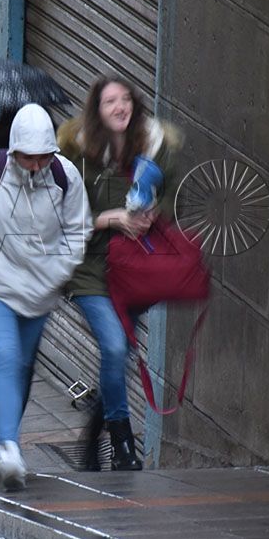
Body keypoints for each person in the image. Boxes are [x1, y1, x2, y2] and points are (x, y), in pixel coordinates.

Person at [0, 103, 91, 491]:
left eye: (43, 157)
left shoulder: (65, 177)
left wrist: (54, 273)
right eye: (28, 157)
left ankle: (1, 438)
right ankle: (9, 445)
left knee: (22, 366)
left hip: (38, 292)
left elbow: (78, 231)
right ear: (13, 151)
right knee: (5, 354)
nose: (36, 166)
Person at [57, 75, 182, 470]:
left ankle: (93, 438)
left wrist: (150, 216)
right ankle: (124, 445)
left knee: (119, 354)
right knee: (114, 347)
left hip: (133, 273)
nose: (119, 107)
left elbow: (170, 204)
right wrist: (108, 218)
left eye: (125, 99)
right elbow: (59, 219)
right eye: (110, 101)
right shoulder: (77, 156)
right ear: (97, 110)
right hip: (90, 271)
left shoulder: (153, 151)